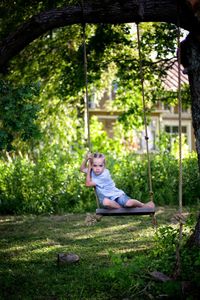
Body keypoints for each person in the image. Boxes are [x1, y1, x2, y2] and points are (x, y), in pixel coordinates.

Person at [80, 152, 155, 209]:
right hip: (109, 201)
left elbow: (88, 184)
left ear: (104, 166)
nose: (97, 168)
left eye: (100, 165)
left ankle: (143, 205)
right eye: (95, 165)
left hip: (117, 195)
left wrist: (89, 167)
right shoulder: (92, 171)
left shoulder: (104, 174)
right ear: (92, 165)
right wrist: (87, 159)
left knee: (129, 203)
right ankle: (122, 209)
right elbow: (82, 169)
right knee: (105, 202)